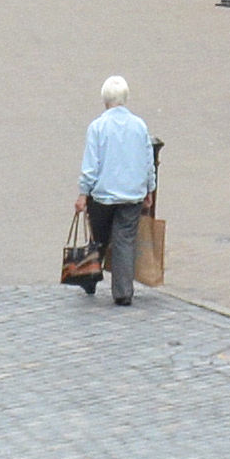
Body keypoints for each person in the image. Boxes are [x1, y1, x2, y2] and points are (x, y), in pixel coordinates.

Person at [78, 77, 158, 307]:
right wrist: (149, 188)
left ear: (105, 100)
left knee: (98, 237)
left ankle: (90, 276)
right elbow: (147, 161)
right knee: (125, 240)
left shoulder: (97, 127)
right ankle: (123, 291)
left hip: (103, 194)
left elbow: (91, 165)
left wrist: (83, 193)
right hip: (132, 193)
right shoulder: (139, 125)